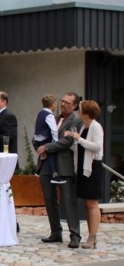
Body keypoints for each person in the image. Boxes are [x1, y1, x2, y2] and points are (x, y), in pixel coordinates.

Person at [39, 92, 82, 248]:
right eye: (62, 101)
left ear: (74, 106)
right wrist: (38, 146)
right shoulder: (52, 118)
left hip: (64, 165)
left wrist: (47, 147)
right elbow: (40, 134)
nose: (62, 104)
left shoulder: (75, 120)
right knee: (49, 199)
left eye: (67, 103)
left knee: (68, 200)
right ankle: (56, 232)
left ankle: (75, 235)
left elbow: (67, 140)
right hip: (46, 165)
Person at [67, 99, 104, 250]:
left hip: (93, 168)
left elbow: (97, 147)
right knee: (86, 203)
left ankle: (93, 237)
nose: (78, 112)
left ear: (86, 113)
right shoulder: (84, 127)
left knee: (92, 203)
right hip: (83, 167)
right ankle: (90, 236)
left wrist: (79, 139)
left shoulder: (96, 127)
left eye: (80, 109)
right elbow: (80, 148)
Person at [33, 94, 61, 184]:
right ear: (53, 104)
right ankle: (55, 174)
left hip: (37, 138)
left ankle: (38, 171)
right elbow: (54, 129)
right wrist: (55, 142)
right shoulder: (49, 115)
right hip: (45, 138)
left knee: (43, 156)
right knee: (51, 154)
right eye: (56, 104)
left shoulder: (40, 113)